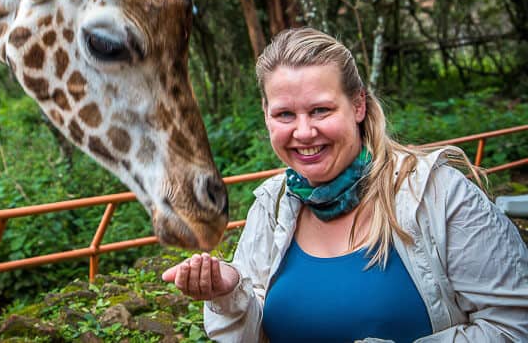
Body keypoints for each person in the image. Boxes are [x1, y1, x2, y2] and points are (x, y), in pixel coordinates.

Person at [162, 27, 528, 342]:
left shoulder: (436, 193)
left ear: (357, 106)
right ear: (266, 116)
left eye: (320, 110)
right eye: (285, 114)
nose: (304, 132)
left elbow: (515, 325)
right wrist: (231, 295)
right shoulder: (273, 203)